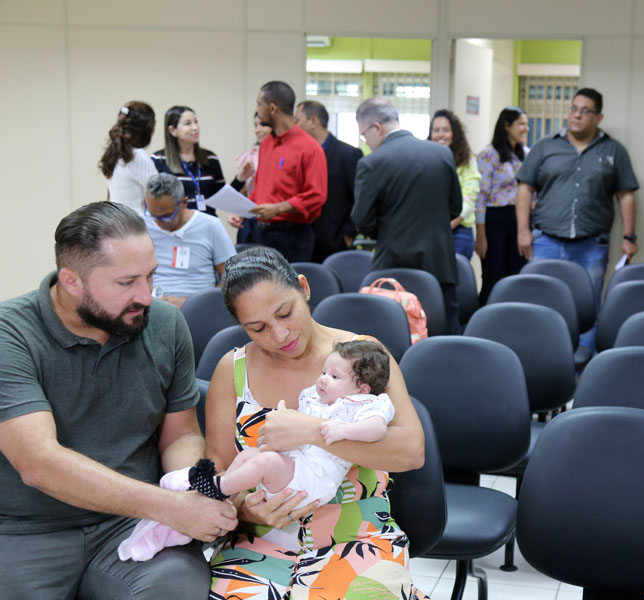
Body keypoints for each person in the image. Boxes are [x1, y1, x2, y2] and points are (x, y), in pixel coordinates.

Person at [0, 201, 237, 598]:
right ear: (72, 281)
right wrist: (169, 506)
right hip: (27, 529)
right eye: (126, 283)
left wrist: (192, 490)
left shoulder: (163, 323)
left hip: (132, 522)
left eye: (151, 276)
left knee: (179, 592)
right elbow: (39, 463)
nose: (146, 295)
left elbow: (179, 436)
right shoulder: (11, 335)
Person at [205, 247, 428, 599]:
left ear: (304, 289)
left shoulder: (365, 355)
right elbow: (216, 473)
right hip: (259, 538)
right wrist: (244, 507)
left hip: (356, 536)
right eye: (258, 328)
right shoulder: (232, 370)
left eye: (286, 313)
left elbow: (412, 452)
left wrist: (312, 431)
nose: (280, 335)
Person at [120, 339, 394, 562]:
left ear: (363, 387)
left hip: (314, 481)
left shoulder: (364, 404)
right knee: (251, 456)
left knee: (264, 463)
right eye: (324, 372)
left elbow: (377, 430)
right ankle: (225, 493)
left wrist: (342, 431)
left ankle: (218, 488)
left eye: (334, 376)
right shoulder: (316, 397)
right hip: (295, 468)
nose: (322, 380)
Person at [516, 88, 639, 346]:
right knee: (539, 303)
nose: (577, 115)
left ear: (598, 117)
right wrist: (523, 231)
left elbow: (625, 194)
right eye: (574, 109)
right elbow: (525, 188)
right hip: (546, 241)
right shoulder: (546, 147)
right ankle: (540, 356)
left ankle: (583, 373)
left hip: (591, 245)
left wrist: (629, 237)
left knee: (588, 308)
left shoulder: (614, 151)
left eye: (585, 111)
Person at [351, 98, 463, 334]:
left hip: (393, 266)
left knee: (395, 337)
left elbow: (362, 220)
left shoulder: (372, 163)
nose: (367, 143)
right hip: (439, 263)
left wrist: (387, 229)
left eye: (364, 135)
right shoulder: (442, 154)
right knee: (440, 334)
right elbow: (455, 208)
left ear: (376, 127)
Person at [246, 81, 328, 262]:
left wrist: (278, 208)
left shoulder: (310, 147)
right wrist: (243, 209)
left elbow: (317, 195)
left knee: (289, 290)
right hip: (260, 232)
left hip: (292, 236)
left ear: (273, 108)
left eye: (259, 104)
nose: (258, 110)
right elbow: (262, 189)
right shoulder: (267, 144)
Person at [143, 173, 236, 308]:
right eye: (152, 214)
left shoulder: (210, 225)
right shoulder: (141, 225)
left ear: (184, 203)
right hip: (150, 305)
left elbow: (232, 280)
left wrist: (193, 303)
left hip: (198, 307)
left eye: (166, 216)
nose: (158, 222)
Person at [295, 100, 364, 262]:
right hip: (301, 243)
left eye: (298, 120)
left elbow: (360, 200)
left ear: (313, 121)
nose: (294, 126)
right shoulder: (299, 155)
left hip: (335, 244)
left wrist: (348, 235)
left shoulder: (348, 155)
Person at [152, 105, 251, 217]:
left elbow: (222, 197)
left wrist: (240, 179)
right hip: (176, 228)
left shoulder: (210, 158)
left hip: (207, 225)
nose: (195, 127)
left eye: (196, 122)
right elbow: (154, 199)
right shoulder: (158, 159)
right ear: (173, 130)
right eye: (188, 123)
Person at [475, 107, 529, 303]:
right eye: (521, 124)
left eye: (527, 124)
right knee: (493, 277)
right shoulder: (488, 155)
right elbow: (481, 196)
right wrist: (481, 236)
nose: (526, 128)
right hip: (495, 221)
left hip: (520, 221)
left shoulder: (526, 155)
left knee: (515, 277)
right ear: (507, 126)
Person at [428, 109, 480, 259]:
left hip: (459, 232)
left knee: (458, 281)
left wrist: (446, 227)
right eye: (436, 130)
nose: (440, 135)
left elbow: (469, 203)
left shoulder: (467, 161)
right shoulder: (425, 159)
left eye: (446, 130)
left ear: (454, 133)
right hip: (430, 232)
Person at [100, 101, 157, 213]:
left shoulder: (116, 153)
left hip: (120, 222)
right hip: (137, 224)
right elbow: (161, 192)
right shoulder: (137, 156)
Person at [231, 112, 272, 244]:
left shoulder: (284, 154)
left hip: (274, 220)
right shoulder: (251, 155)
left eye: (263, 125)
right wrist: (238, 211)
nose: (258, 130)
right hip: (251, 218)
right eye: (256, 125)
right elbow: (243, 191)